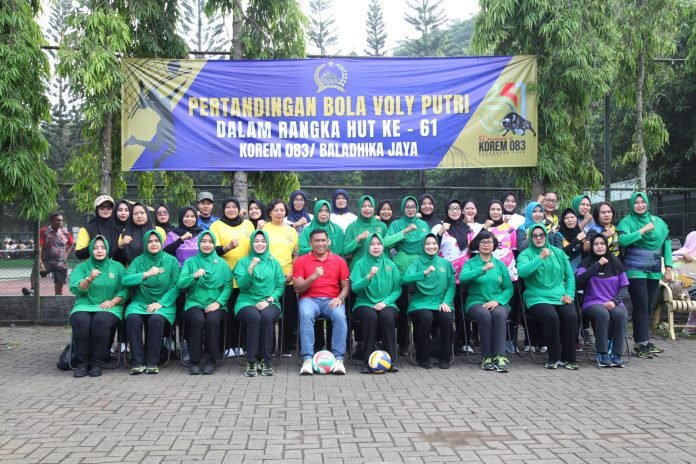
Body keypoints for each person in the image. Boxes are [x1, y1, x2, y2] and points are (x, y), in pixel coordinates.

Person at [617, 192, 673, 358]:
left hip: (654, 271)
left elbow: (666, 244)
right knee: (641, 304)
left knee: (648, 305)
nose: (640, 205)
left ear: (647, 203)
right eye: (636, 202)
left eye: (643, 202)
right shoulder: (627, 221)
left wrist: (668, 267)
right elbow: (623, 240)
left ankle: (645, 341)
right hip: (634, 270)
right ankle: (640, 343)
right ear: (631, 205)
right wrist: (643, 230)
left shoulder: (658, 222)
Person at [517, 223, 578, 370]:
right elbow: (522, 272)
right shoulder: (525, 254)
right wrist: (541, 257)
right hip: (536, 296)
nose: (538, 238)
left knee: (571, 316)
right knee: (551, 317)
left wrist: (569, 294)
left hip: (560, 295)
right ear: (530, 238)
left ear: (546, 236)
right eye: (534, 236)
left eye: (541, 235)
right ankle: (554, 356)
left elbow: (570, 276)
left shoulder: (558, 252)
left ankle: (569, 358)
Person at [123, 230, 181, 374]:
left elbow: (176, 286)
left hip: (163, 303)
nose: (153, 244)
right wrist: (146, 274)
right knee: (132, 318)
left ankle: (152, 361)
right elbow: (125, 280)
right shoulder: (138, 261)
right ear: (145, 244)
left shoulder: (171, 261)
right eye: (150, 241)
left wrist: (161, 303)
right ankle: (137, 361)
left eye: (156, 241)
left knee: (156, 319)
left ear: (161, 243)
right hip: (140, 301)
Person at [68, 236, 127, 377]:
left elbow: (125, 289)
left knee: (101, 321)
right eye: (95, 248)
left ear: (107, 249)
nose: (99, 251)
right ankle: (82, 363)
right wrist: (89, 279)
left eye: (102, 247)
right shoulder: (82, 267)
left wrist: (113, 302)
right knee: (80, 321)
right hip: (84, 305)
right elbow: (75, 288)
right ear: (90, 250)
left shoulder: (117, 267)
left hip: (110, 306)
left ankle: (97, 363)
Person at [294, 229, 350, 375]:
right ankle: (307, 359)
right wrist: (313, 277)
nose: (320, 244)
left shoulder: (339, 260)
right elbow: (297, 288)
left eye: (323, 240)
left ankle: (339, 360)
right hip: (309, 299)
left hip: (332, 300)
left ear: (328, 242)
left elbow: (346, 286)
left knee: (340, 316)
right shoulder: (301, 261)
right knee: (306, 314)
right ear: (310, 243)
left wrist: (340, 298)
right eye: (317, 241)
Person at [177, 231, 232, 375]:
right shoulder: (190, 262)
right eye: (203, 241)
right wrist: (194, 276)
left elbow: (228, 286)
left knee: (212, 321)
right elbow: (180, 284)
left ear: (214, 244)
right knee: (198, 320)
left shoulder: (222, 264)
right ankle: (194, 360)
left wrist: (218, 303)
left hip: (216, 304)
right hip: (194, 303)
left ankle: (211, 359)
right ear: (198, 243)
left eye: (210, 242)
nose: (207, 244)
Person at [459, 230, 513, 372]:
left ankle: (500, 356)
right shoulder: (470, 263)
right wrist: (482, 269)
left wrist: (498, 301)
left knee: (499, 314)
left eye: (489, 242)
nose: (486, 244)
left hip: (497, 302)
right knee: (484, 315)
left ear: (494, 245)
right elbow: (463, 278)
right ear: (477, 244)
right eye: (483, 242)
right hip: (476, 302)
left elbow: (508, 288)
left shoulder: (500, 265)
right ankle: (487, 357)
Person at [233, 230, 285, 377]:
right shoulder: (243, 262)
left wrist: (268, 301)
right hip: (246, 300)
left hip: (269, 301)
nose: (259, 244)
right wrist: (251, 267)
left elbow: (280, 287)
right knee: (254, 317)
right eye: (256, 241)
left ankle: (266, 360)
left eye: (263, 241)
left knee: (267, 317)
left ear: (267, 243)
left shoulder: (274, 263)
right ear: (251, 243)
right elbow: (242, 286)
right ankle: (251, 360)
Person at [209, 197, 255, 358]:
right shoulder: (216, 225)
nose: (231, 210)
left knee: (243, 311)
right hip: (225, 276)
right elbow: (212, 249)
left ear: (239, 209)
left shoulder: (248, 224)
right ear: (223, 209)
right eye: (228, 207)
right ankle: (227, 345)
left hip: (244, 276)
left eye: (234, 207)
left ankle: (241, 345)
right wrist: (227, 247)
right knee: (227, 313)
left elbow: (254, 247)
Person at [350, 233, 402, 373]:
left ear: (383, 246)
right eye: (372, 244)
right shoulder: (360, 264)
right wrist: (368, 276)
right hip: (364, 302)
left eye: (378, 244)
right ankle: (367, 360)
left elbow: (397, 289)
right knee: (370, 316)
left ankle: (390, 360)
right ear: (367, 246)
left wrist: (385, 302)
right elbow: (354, 288)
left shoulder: (390, 264)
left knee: (387, 317)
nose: (376, 247)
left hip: (387, 303)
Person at [402, 234, 456, 369]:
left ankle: (445, 357)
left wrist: (446, 302)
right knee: (426, 317)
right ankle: (422, 357)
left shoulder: (446, 263)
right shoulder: (417, 263)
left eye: (434, 243)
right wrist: (423, 273)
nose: (431, 246)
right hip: (421, 303)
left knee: (446, 317)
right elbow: (405, 279)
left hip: (440, 302)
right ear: (423, 246)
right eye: (428, 244)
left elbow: (451, 285)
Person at [433, 199, 479, 353]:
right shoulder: (440, 227)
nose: (454, 211)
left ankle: (464, 341)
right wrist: (440, 232)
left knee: (461, 311)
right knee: (443, 309)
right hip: (444, 277)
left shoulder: (468, 229)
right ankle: (442, 341)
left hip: (463, 277)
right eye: (451, 208)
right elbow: (431, 247)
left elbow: (474, 248)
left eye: (457, 208)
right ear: (446, 210)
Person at [575, 234, 629, 367]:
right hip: (592, 302)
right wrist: (597, 265)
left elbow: (624, 286)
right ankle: (602, 352)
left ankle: (616, 353)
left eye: (602, 244)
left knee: (620, 314)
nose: (599, 246)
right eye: (596, 244)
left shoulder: (616, 262)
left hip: (613, 301)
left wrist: (614, 302)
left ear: (606, 245)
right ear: (592, 247)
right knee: (602, 314)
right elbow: (579, 282)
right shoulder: (586, 263)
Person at [387, 196, 431, 355]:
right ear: (403, 208)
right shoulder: (396, 224)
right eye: (407, 206)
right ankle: (403, 343)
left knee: (420, 306)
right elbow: (387, 243)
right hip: (401, 268)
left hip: (420, 268)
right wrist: (404, 231)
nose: (411, 209)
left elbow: (429, 245)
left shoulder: (423, 225)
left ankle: (420, 343)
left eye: (413, 206)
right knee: (402, 306)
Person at [264, 199, 299, 356]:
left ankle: (285, 348)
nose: (279, 213)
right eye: (276, 210)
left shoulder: (292, 231)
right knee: (269, 313)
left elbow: (296, 254)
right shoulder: (264, 229)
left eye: (282, 210)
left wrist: (292, 272)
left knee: (288, 314)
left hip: (287, 278)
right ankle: (269, 347)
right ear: (270, 212)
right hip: (268, 278)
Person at [343, 195, 393, 268]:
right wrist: (358, 239)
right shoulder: (352, 227)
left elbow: (386, 250)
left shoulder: (382, 226)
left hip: (378, 266)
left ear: (374, 208)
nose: (367, 209)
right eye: (364, 206)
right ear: (359, 208)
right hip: (358, 267)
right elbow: (345, 250)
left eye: (370, 206)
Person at [35, 212, 74, 295]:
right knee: (35, 270)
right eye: (57, 220)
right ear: (51, 221)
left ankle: (58, 298)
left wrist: (67, 254)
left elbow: (72, 243)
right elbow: (39, 247)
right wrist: (40, 263)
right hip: (46, 261)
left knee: (59, 287)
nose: (60, 222)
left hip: (61, 263)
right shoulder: (44, 231)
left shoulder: (65, 232)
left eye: (61, 220)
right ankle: (33, 290)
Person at [75, 195, 118, 260]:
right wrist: (93, 244)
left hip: (116, 265)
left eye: (109, 207)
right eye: (102, 207)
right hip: (94, 266)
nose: (105, 209)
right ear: (97, 208)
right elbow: (79, 254)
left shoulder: (118, 227)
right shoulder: (86, 229)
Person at [672, 232, 696, 334]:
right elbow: (671, 258)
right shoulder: (679, 254)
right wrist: (682, 255)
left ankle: (690, 328)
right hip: (683, 290)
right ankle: (690, 328)